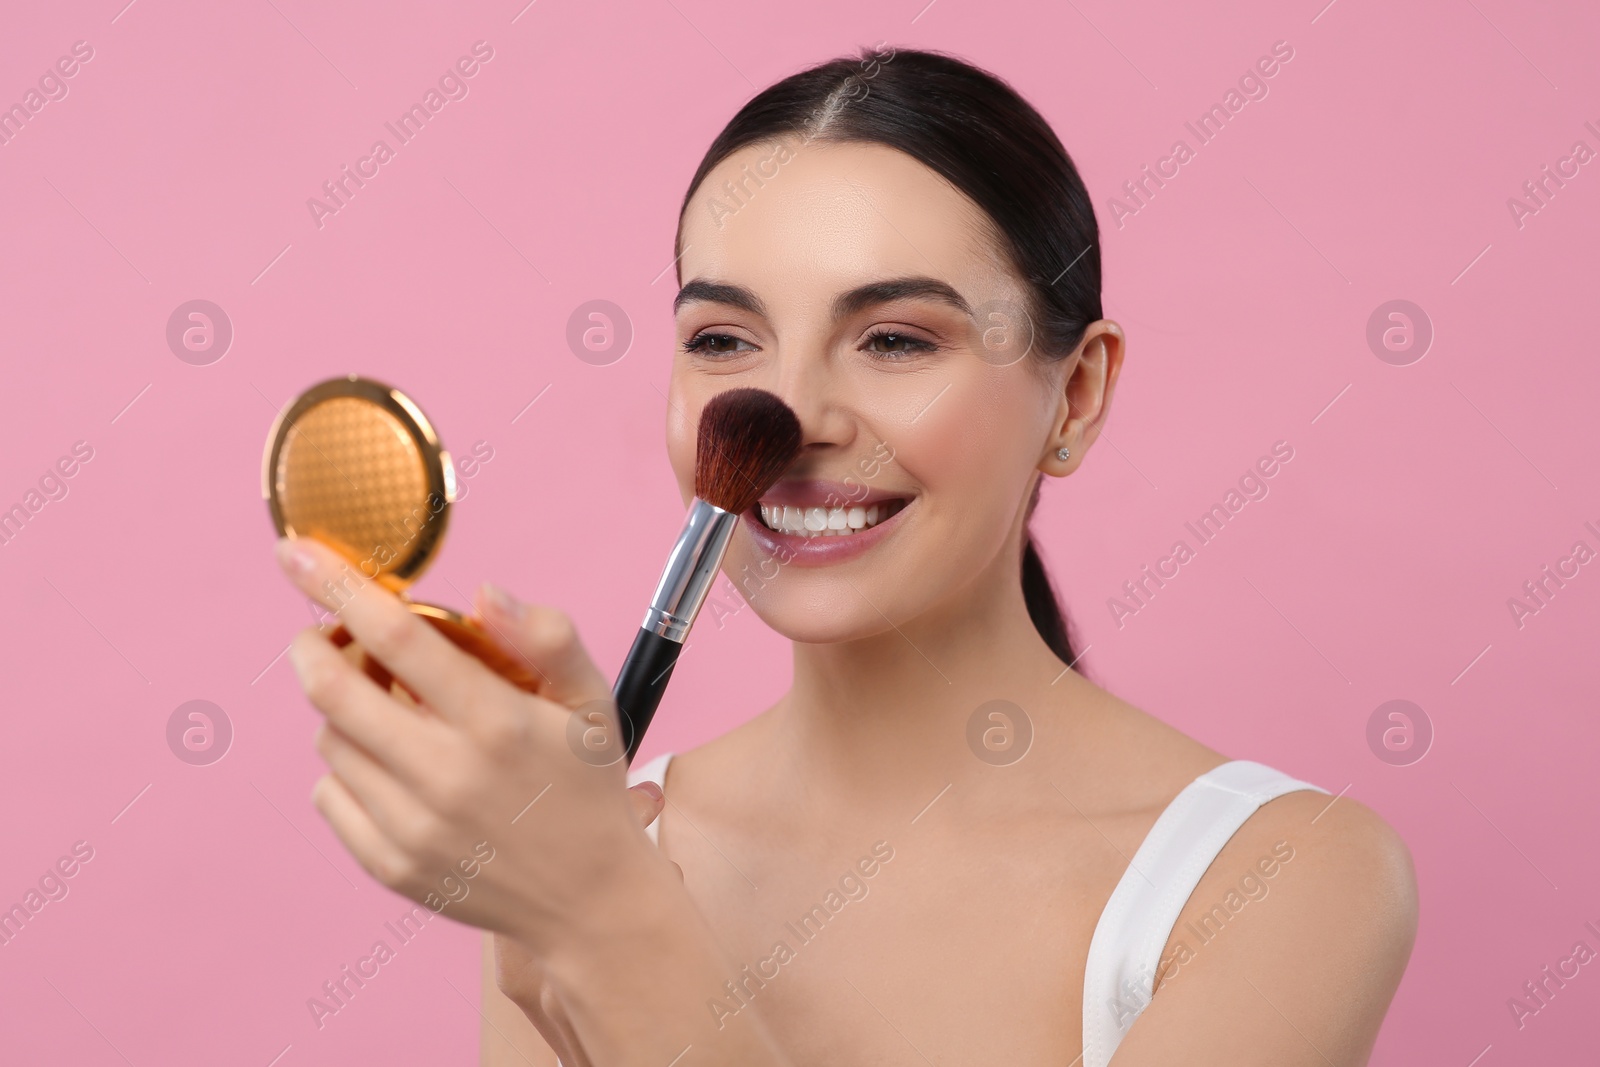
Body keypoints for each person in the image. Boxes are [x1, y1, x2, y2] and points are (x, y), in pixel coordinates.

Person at [274, 45, 1417, 1066]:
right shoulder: (574, 843)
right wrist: (573, 896)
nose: (797, 410)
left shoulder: (1278, 881)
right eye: (723, 339)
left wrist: (613, 930)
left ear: (1074, 392)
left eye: (893, 339)